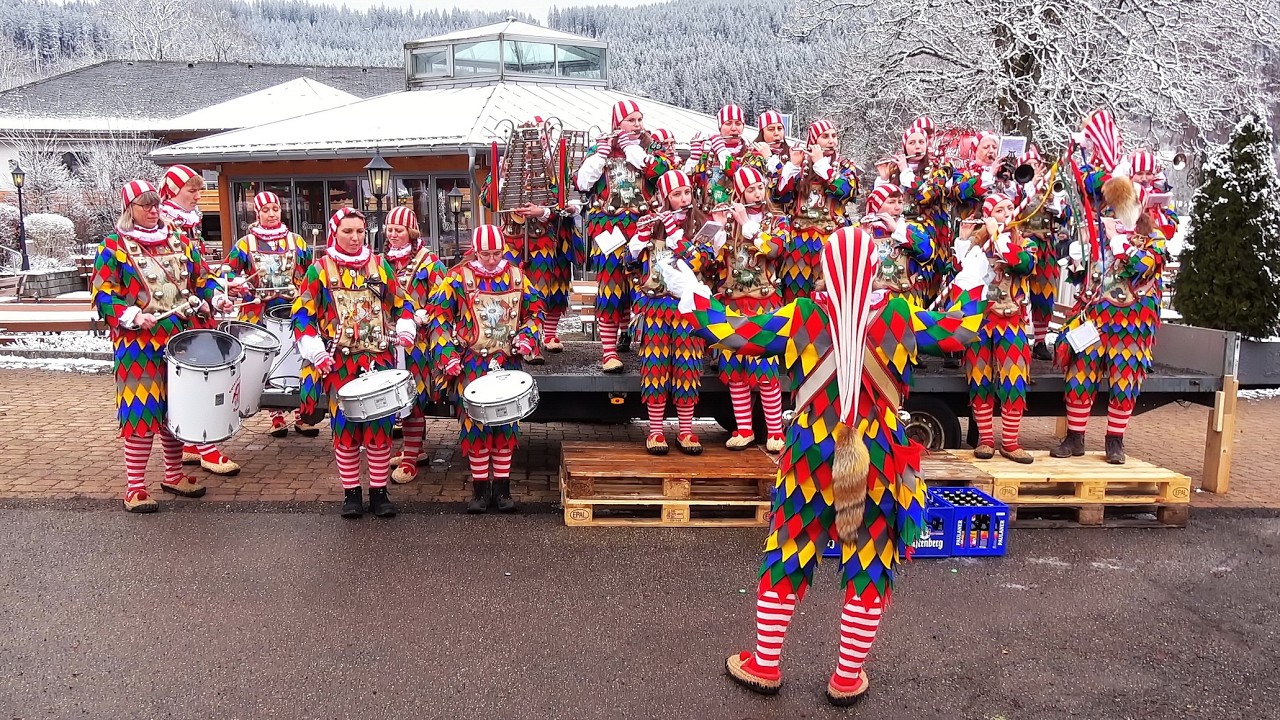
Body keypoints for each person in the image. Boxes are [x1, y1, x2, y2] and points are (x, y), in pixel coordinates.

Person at [658, 226, 984, 706]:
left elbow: (732, 333)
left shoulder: (803, 316)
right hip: (878, 456)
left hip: (812, 453)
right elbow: (960, 330)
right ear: (875, 270)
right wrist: (970, 282)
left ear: (824, 270)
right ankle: (846, 678)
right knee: (870, 561)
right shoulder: (898, 316)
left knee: (791, 549)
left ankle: (765, 663)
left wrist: (696, 296)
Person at [92, 180, 235, 512]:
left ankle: (173, 474)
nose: (154, 210)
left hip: (180, 337)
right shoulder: (113, 247)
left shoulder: (179, 240)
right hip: (138, 344)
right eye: (146, 205)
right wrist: (131, 315)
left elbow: (202, 278)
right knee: (141, 412)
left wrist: (214, 297)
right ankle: (135, 487)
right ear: (131, 209)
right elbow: (102, 294)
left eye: (156, 204)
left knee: (177, 408)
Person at [293, 208, 417, 518]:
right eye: (348, 231)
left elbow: (402, 304)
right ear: (335, 233)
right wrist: (315, 349)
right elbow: (302, 315)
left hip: (378, 361)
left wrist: (404, 327)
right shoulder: (319, 270)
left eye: (360, 231)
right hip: (340, 364)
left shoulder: (380, 266)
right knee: (346, 431)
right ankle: (351, 494)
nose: (355, 237)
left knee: (379, 429)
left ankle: (378, 493)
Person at [1054, 173, 1168, 464]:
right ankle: (1074, 437)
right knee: (1080, 373)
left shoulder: (1154, 239)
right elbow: (1090, 273)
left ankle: (1115, 441)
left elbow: (1144, 267)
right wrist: (1079, 264)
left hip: (1131, 324)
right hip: (1096, 317)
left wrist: (1123, 248)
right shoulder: (1101, 231)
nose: (1118, 210)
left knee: (1124, 381)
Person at [430, 225, 544, 513]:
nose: (492, 260)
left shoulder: (517, 275)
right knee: (475, 426)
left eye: (496, 253)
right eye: (485, 254)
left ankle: (503, 490)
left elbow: (535, 312)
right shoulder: (457, 277)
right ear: (475, 251)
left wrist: (527, 337)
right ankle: (480, 490)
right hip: (472, 362)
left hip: (507, 362)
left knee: (506, 424)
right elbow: (439, 319)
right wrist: (447, 356)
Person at [156, 164, 243, 475]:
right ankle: (205, 444)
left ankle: (193, 444)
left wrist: (217, 290)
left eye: (198, 190)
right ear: (172, 191)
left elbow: (198, 272)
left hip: (193, 312)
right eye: (191, 190)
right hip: (172, 317)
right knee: (198, 378)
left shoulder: (187, 225)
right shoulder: (165, 226)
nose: (197, 196)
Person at [575, 100, 672, 372]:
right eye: (631, 120)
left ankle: (650, 345)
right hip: (610, 229)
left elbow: (665, 173)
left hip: (645, 227)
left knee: (648, 284)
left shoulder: (650, 149)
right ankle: (608, 352)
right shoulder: (600, 149)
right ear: (618, 123)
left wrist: (635, 152)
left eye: (640, 119)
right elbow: (582, 183)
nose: (637, 124)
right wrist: (599, 156)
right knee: (611, 286)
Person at [626, 170, 717, 455]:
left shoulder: (702, 224)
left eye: (687, 193)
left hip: (687, 307)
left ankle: (686, 431)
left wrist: (677, 233)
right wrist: (639, 239)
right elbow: (629, 263)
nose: (683, 199)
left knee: (687, 368)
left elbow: (701, 261)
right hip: (655, 307)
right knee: (655, 368)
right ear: (664, 197)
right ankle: (655, 431)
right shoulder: (653, 223)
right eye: (676, 194)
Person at [224, 190, 317, 437]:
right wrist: (241, 286)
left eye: (275, 209)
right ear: (257, 213)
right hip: (259, 310)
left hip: (292, 310)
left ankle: (301, 412)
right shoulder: (245, 244)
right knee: (269, 361)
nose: (272, 214)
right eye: (266, 210)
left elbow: (311, 272)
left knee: (296, 358)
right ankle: (275, 415)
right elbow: (227, 272)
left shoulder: (296, 241)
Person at [954, 194, 1038, 463]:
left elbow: (1023, 264)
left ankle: (1011, 442)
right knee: (980, 379)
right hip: (981, 321)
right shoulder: (980, 246)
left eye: (1009, 208)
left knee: (1013, 380)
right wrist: (964, 240)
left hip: (1011, 321)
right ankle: (986, 440)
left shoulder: (1025, 242)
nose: (1005, 213)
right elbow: (960, 274)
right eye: (999, 210)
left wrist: (999, 237)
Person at [712, 166, 788, 452]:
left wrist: (747, 223)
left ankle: (775, 433)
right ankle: (744, 429)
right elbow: (712, 259)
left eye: (760, 187)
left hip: (764, 303)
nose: (757, 193)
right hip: (733, 303)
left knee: (766, 370)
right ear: (739, 192)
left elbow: (774, 250)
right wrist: (718, 226)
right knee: (735, 372)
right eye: (750, 189)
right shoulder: (730, 223)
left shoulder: (777, 219)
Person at [381, 206, 447, 484]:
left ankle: (411, 456)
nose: (393, 234)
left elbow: (445, 296)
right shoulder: (381, 261)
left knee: (413, 396)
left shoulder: (429, 262)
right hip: (388, 339)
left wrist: (424, 314)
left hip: (417, 342)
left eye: (399, 229)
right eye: (390, 229)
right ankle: (413, 448)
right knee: (394, 396)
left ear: (411, 231)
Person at [773, 119, 859, 302]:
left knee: (830, 295)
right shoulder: (801, 166)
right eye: (825, 136)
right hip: (798, 243)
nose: (831, 141)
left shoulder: (844, 166)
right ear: (814, 141)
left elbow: (846, 190)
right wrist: (791, 167)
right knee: (796, 295)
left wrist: (821, 164)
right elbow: (780, 197)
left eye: (834, 136)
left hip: (832, 240)